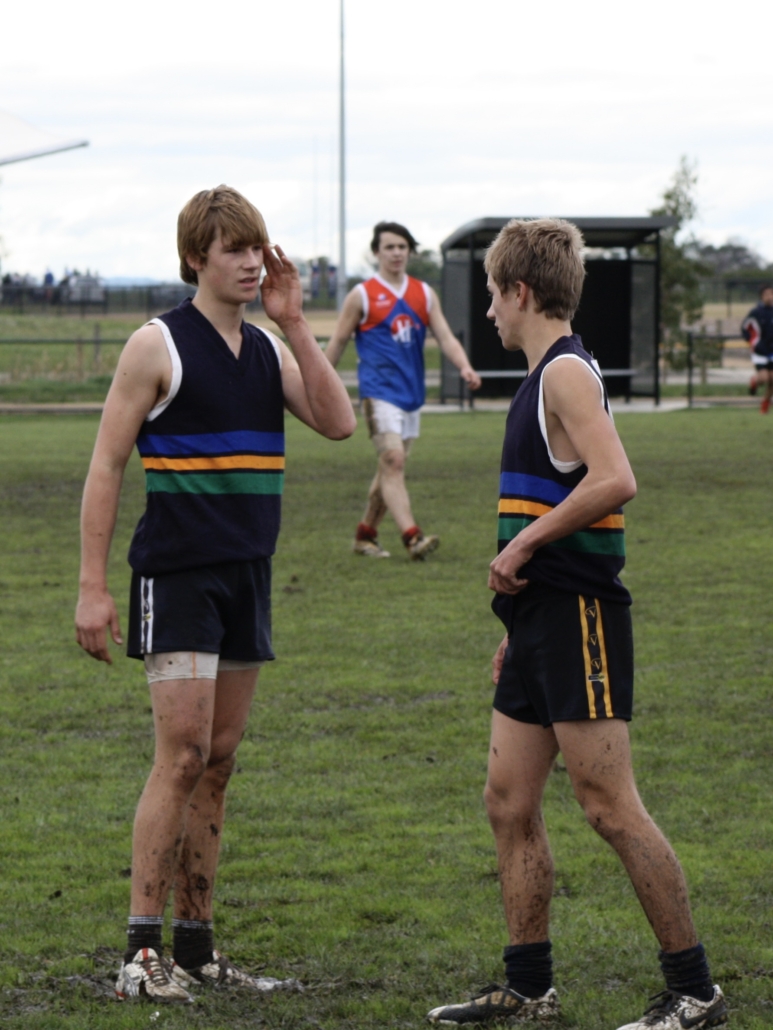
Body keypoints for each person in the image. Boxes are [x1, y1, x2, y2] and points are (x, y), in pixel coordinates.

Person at [426, 219, 727, 1030]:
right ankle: (527, 988)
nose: (487, 310)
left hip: (579, 615)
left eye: (492, 293)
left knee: (606, 805)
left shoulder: (563, 374)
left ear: (520, 292)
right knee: (506, 799)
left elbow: (615, 478)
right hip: (537, 619)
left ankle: (694, 991)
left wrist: (525, 544)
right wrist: (515, 620)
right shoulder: (542, 378)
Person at [74, 185, 356, 1004]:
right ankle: (140, 954)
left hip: (246, 574)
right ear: (195, 256)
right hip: (177, 573)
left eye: (254, 247)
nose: (246, 261)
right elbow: (105, 467)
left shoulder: (269, 348)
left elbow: (338, 424)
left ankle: (195, 948)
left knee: (220, 761)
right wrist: (93, 588)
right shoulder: (155, 344)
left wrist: (297, 322)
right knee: (183, 754)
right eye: (230, 248)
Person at [325, 221, 481, 560]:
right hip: (378, 392)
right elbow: (338, 341)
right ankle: (413, 537)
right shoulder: (362, 295)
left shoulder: (423, 293)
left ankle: (365, 534)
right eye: (389, 247)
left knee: (389, 469)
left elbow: (445, 336)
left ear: (409, 251)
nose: (396, 253)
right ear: (376, 252)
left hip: (411, 395)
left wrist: (464, 366)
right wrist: (319, 380)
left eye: (402, 247)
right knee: (393, 461)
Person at [741, 284, 773, 411]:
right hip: (760, 351)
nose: (770, 297)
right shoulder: (756, 312)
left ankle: (765, 402)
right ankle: (755, 380)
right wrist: (752, 341)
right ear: (761, 297)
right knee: (765, 378)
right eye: (767, 294)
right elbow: (745, 329)